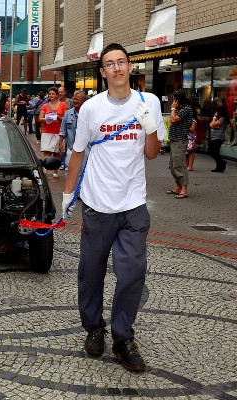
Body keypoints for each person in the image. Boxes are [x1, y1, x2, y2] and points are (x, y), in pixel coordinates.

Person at [62, 43, 166, 372]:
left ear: (130, 66)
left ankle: (123, 337)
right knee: (91, 271)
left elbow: (152, 154)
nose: (117, 68)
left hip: (133, 204)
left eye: (122, 62)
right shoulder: (91, 109)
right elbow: (77, 154)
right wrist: (67, 196)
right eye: (110, 64)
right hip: (97, 204)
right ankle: (94, 327)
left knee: (133, 272)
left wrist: (150, 126)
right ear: (103, 72)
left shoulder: (148, 102)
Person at [167, 90, 193, 198]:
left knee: (179, 165)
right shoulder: (180, 109)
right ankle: (178, 186)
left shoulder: (186, 109)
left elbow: (174, 119)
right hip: (174, 140)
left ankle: (184, 189)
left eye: (174, 99)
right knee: (173, 165)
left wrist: (173, 108)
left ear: (178, 99)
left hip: (180, 141)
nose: (173, 101)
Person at [39, 87, 69, 178]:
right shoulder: (45, 106)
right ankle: (45, 170)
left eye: (53, 94)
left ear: (56, 95)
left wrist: (59, 118)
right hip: (47, 131)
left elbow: (66, 118)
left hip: (58, 131)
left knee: (56, 153)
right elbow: (40, 119)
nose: (51, 95)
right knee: (46, 152)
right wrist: (47, 118)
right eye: (49, 94)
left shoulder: (63, 105)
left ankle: (55, 172)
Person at [58, 90, 87, 175]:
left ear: (84, 101)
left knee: (84, 171)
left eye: (77, 99)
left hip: (85, 148)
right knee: (69, 170)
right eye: (74, 99)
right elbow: (62, 131)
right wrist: (60, 144)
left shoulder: (88, 114)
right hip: (71, 148)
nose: (75, 101)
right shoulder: (68, 114)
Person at [208, 102, 229, 172]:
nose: (216, 112)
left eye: (217, 111)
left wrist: (214, 117)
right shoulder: (220, 119)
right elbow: (211, 124)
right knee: (213, 152)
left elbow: (212, 125)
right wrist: (213, 123)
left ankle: (221, 163)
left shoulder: (222, 119)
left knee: (213, 152)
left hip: (218, 137)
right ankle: (220, 165)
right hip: (214, 137)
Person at [186, 104, 199, 171]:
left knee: (191, 151)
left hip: (191, 136)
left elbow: (192, 129)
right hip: (188, 136)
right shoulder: (190, 118)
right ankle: (188, 165)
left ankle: (190, 166)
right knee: (188, 151)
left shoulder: (193, 119)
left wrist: (185, 126)